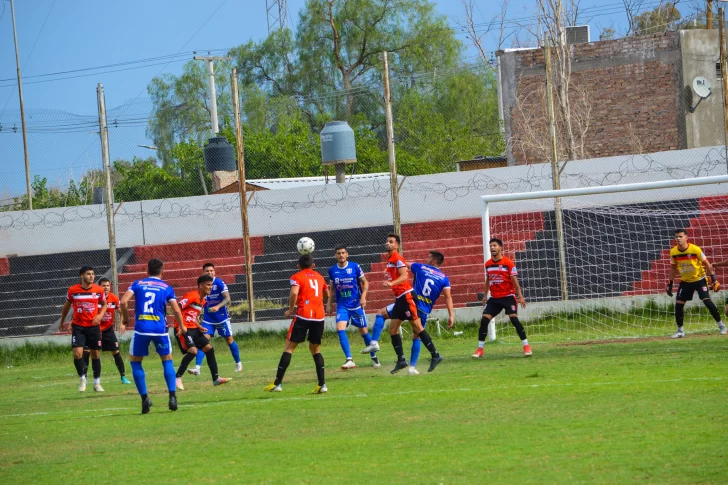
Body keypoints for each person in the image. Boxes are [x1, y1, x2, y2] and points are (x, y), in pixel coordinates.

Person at [364, 251, 455, 375]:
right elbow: (448, 297)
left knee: (381, 314)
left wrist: (392, 263)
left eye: (429, 257)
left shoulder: (421, 267)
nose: (426, 258)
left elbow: (403, 264)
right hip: (425, 309)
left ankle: (376, 344)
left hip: (411, 302)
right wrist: (451, 315)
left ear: (434, 261)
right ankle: (412, 367)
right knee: (416, 335)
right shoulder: (444, 278)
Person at [120, 258, 185, 414]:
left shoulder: (137, 284)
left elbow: (123, 302)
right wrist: (182, 326)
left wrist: (126, 319)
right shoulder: (167, 287)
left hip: (141, 328)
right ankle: (172, 397)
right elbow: (176, 310)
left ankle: (145, 399)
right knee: (167, 360)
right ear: (162, 272)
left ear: (147, 271)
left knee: (136, 362)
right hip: (160, 329)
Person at [264, 254, 329, 394]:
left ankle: (277, 383)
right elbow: (326, 294)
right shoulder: (320, 277)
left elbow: (294, 293)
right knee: (315, 350)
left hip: (303, 314)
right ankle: (322, 384)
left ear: (298, 266)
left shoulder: (296, 277)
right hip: (319, 316)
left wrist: (290, 309)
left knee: (289, 347)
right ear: (313, 265)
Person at [380, 234, 443, 374]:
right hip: (399, 299)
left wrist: (391, 283)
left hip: (406, 297)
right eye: (387, 241)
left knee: (418, 328)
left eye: (391, 242)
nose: (388, 243)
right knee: (392, 329)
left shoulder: (397, 258)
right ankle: (401, 360)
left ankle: (435, 355)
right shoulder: (390, 260)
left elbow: (404, 276)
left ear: (397, 245)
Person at [473, 238, 531, 358]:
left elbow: (515, 280)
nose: (492, 248)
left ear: (501, 248)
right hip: (494, 298)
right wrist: (485, 296)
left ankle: (526, 346)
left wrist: (520, 296)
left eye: (494, 245)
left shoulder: (508, 263)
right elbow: (488, 280)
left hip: (508, 297)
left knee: (514, 319)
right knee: (484, 321)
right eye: (491, 246)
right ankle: (480, 349)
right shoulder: (488, 264)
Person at [326, 245, 380, 369]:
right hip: (342, 305)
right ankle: (349, 359)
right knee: (340, 329)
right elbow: (332, 288)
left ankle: (373, 357)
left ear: (347, 254)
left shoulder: (354, 266)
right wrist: (329, 303)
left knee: (364, 331)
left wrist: (363, 297)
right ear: (335, 255)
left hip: (356, 304)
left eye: (343, 253)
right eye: (338, 253)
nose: (341, 255)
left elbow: (365, 282)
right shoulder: (332, 270)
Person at [173, 275, 231, 390]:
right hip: (184, 329)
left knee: (209, 349)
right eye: (208, 285)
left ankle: (216, 379)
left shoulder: (203, 300)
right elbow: (178, 307)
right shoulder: (192, 295)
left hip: (194, 328)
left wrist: (199, 326)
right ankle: (177, 377)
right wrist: (180, 326)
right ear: (200, 285)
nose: (210, 287)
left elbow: (193, 315)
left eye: (211, 285)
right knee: (193, 351)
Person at [666, 229, 725, 337]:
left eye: (680, 236)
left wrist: (714, 278)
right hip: (685, 281)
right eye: (676, 237)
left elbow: (706, 263)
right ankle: (680, 331)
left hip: (699, 280)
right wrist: (669, 284)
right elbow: (673, 268)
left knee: (707, 301)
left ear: (686, 238)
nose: (678, 239)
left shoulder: (695, 249)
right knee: (678, 305)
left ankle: (721, 326)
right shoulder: (673, 252)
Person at [60, 266, 107, 392]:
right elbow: (66, 306)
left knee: (95, 354)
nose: (91, 276)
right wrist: (63, 320)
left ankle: (97, 383)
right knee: (77, 354)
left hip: (93, 326)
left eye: (92, 274)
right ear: (82, 276)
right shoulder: (72, 290)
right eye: (88, 274)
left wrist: (100, 315)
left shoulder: (99, 290)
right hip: (79, 326)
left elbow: (104, 304)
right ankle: (82, 378)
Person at [191, 263, 242, 375]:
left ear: (214, 271)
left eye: (211, 270)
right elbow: (200, 301)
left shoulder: (219, 283)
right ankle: (197, 368)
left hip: (222, 318)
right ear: (203, 272)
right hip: (208, 320)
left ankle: (238, 363)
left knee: (229, 340)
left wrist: (217, 307)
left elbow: (228, 298)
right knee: (203, 342)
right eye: (207, 271)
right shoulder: (201, 285)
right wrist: (197, 314)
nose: (210, 273)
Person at [81, 278, 131, 385]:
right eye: (103, 286)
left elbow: (121, 311)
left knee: (116, 352)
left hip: (108, 330)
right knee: (89, 352)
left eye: (108, 285)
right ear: (99, 287)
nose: (106, 288)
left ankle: (123, 377)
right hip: (94, 330)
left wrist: (122, 323)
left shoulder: (113, 298)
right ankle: (84, 378)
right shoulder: (94, 298)